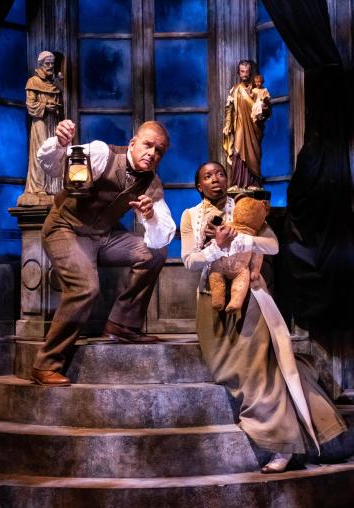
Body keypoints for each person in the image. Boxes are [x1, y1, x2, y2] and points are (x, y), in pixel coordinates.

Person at [180, 161, 346, 473]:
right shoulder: (191, 216)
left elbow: (272, 245)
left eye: (219, 174)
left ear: (227, 179)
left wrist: (244, 240)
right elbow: (189, 261)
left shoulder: (245, 207)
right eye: (207, 176)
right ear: (199, 185)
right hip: (211, 302)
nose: (215, 179)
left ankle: (282, 446)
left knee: (257, 372)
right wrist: (216, 247)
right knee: (227, 371)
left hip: (252, 298)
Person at [31, 119, 176, 387]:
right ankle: (46, 363)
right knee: (86, 287)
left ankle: (123, 325)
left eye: (159, 151)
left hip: (103, 236)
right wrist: (60, 144)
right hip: (66, 228)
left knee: (154, 253)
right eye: (147, 145)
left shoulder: (152, 184)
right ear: (133, 143)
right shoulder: (102, 153)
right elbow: (53, 166)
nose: (152, 153)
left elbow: (162, 234)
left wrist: (151, 214)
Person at [18, 51, 64, 206]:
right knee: (41, 152)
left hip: (53, 122)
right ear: (40, 64)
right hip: (40, 122)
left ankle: (52, 186)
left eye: (52, 63)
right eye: (47, 63)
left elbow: (59, 103)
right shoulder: (33, 82)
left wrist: (55, 108)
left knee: (55, 152)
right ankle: (37, 188)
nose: (50, 66)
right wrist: (46, 106)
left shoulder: (54, 84)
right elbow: (31, 106)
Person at [222, 60, 271, 189]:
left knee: (253, 153)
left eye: (247, 71)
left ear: (250, 73)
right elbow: (229, 109)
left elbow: (266, 109)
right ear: (239, 73)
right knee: (238, 152)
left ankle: (253, 182)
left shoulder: (256, 90)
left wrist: (265, 108)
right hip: (239, 125)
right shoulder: (235, 90)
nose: (245, 74)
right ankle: (238, 183)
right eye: (242, 71)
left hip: (254, 128)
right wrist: (227, 125)